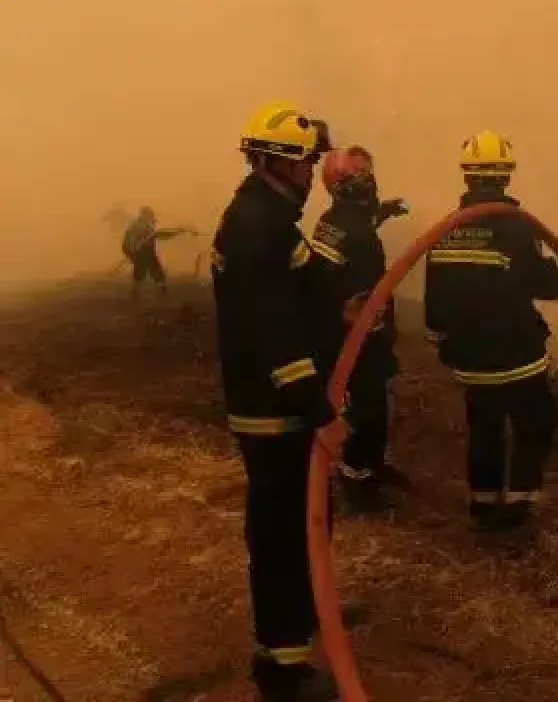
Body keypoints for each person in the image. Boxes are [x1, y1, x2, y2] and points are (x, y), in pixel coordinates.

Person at [209, 100, 346, 702]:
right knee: (284, 533)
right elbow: (274, 333)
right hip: (274, 411)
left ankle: (294, 629)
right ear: (276, 162)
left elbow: (298, 289)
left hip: (275, 406)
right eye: (305, 163)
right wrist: (320, 412)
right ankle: (283, 666)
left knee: (296, 526)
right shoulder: (257, 226)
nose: (311, 173)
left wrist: (341, 307)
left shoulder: (267, 217)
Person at [423, 130, 558, 532]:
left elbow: (434, 292)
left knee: (484, 426)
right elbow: (541, 280)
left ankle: (483, 502)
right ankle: (519, 500)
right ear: (506, 176)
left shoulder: (446, 229)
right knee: (535, 420)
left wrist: (443, 340)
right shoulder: (515, 228)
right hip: (515, 353)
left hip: (468, 356)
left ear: (467, 176)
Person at [306, 144, 412, 514]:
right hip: (354, 337)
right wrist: (350, 318)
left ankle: (373, 465)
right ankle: (355, 477)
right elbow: (331, 281)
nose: (369, 184)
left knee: (376, 403)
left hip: (363, 331)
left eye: (368, 175)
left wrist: (383, 213)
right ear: (341, 186)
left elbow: (357, 230)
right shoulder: (352, 230)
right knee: (365, 408)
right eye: (359, 178)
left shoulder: (337, 220)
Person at [121, 206, 196, 299]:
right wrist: (178, 231)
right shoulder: (142, 224)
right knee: (151, 271)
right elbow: (158, 235)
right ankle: (158, 292)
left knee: (143, 272)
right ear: (146, 215)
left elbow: (158, 235)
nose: (152, 218)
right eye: (150, 215)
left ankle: (139, 292)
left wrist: (177, 231)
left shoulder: (138, 224)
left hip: (143, 250)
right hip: (144, 251)